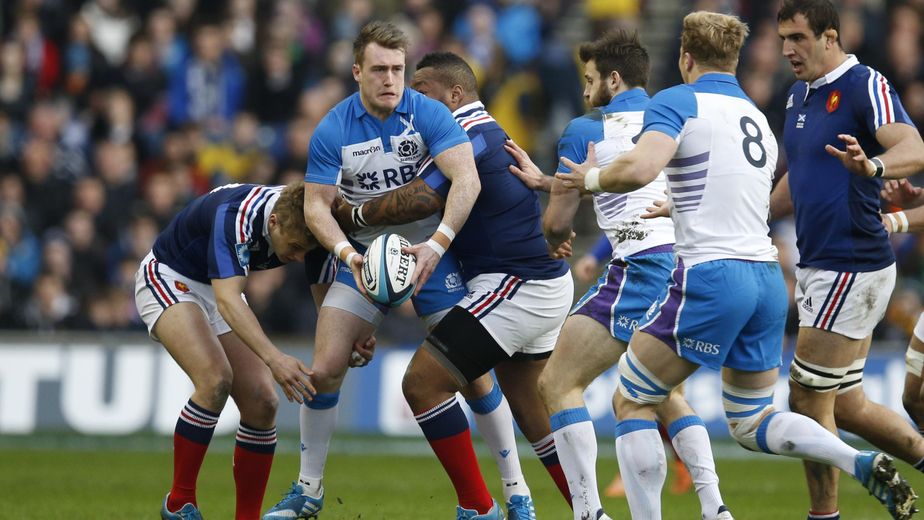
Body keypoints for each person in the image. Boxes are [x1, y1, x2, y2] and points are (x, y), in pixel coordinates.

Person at [557, 11, 917, 520]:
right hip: (767, 281)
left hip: (714, 276)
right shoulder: (756, 116)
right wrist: (680, 206)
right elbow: (738, 192)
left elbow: (640, 168)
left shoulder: (677, 100)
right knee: (750, 420)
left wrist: (588, 181)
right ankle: (852, 459)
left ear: (685, 57)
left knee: (633, 399)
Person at [263, 22, 527, 520]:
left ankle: (516, 494)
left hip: (429, 253)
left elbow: (466, 180)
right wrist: (348, 256)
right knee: (326, 368)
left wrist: (438, 244)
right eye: (379, 69)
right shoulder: (334, 128)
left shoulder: (428, 113)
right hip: (364, 258)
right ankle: (309, 489)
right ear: (357, 71)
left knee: (473, 375)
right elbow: (317, 208)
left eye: (398, 70)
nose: (390, 79)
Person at [332, 50, 574, 519]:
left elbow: (421, 199)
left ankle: (477, 508)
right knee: (531, 412)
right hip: (535, 282)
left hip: (517, 286)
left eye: (422, 91)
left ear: (455, 94)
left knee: (423, 384)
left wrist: (353, 213)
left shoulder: (467, 134)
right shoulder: (485, 132)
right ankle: (587, 510)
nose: (413, 99)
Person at [503, 29, 718, 520]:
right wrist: (549, 181)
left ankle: (588, 512)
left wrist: (555, 233)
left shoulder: (586, 128)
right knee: (663, 393)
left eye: (590, 79)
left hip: (642, 265)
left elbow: (557, 224)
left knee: (557, 383)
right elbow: (627, 181)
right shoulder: (672, 117)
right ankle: (715, 507)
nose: (585, 91)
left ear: (613, 80)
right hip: (688, 264)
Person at [770, 1, 924, 518]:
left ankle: (824, 516)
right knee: (846, 405)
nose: (787, 49)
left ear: (830, 38)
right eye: (782, 38)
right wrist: (753, 214)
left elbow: (914, 146)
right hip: (821, 264)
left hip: (851, 262)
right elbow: (799, 175)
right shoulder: (798, 95)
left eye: (798, 37)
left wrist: (874, 166)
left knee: (806, 401)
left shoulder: (864, 84)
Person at [135, 181, 319, 520]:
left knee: (263, 401)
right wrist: (275, 359)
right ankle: (179, 503)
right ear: (274, 222)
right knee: (215, 378)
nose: (297, 257)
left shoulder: (306, 211)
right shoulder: (238, 216)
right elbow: (229, 301)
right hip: (170, 276)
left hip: (219, 286)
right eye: (294, 247)